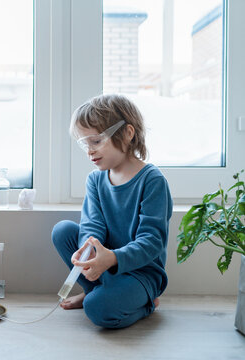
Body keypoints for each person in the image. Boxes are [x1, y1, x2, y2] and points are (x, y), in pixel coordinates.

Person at [52, 94, 172, 329]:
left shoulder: (152, 180)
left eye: (96, 141)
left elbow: (152, 241)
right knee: (63, 231)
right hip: (105, 265)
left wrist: (113, 258)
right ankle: (97, 290)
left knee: (97, 309)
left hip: (141, 274)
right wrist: (88, 253)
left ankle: (146, 302)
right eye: (84, 144)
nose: (89, 151)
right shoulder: (96, 180)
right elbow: (91, 226)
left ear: (127, 133)